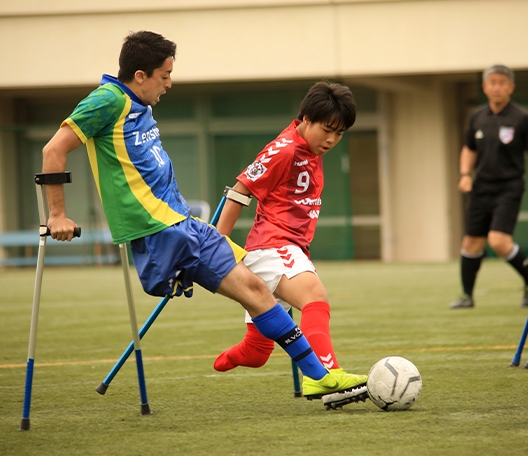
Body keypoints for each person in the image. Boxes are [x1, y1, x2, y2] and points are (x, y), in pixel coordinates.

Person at [41, 31, 367, 402]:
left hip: (181, 221)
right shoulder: (107, 100)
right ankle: (320, 372)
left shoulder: (139, 105)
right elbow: (54, 149)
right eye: (165, 75)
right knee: (267, 292)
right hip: (159, 228)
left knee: (258, 292)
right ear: (141, 75)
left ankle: (318, 376)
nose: (169, 83)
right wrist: (57, 215)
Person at [212, 81, 368, 406]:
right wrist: (217, 243)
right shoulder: (284, 149)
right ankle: (324, 375)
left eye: (339, 134)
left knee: (258, 351)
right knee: (315, 296)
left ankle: (230, 357)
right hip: (273, 246)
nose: (332, 140)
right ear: (306, 119)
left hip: (282, 249)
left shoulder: (310, 148)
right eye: (327, 130)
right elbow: (241, 188)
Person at [450, 65, 528, 309]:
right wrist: (464, 175)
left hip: (509, 187)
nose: (497, 87)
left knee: (498, 241)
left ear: (511, 87)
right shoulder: (477, 117)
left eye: (502, 83)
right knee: (471, 243)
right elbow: (469, 148)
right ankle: (466, 296)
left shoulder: (522, 118)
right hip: (481, 188)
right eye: (492, 82)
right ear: (484, 87)